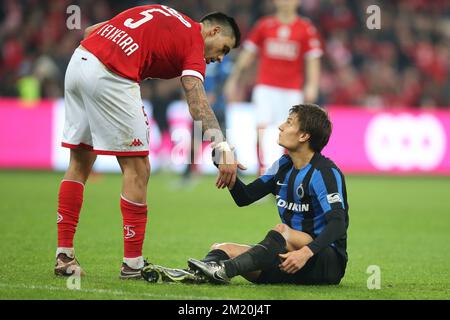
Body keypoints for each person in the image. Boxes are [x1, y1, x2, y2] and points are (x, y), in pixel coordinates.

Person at [54, 4, 243, 280]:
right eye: (224, 48)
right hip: (111, 74)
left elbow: (91, 30)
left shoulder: (162, 12)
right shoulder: (194, 40)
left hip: (80, 62)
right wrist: (222, 147)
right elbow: (197, 101)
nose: (220, 57)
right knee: (138, 168)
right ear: (213, 30)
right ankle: (132, 264)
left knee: (80, 162)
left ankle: (64, 256)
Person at [142, 104, 349, 285]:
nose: (281, 127)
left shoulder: (324, 173)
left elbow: (338, 224)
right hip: (290, 259)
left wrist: (305, 252)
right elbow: (245, 197)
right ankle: (192, 274)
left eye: (289, 123)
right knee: (223, 249)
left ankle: (224, 271)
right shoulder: (283, 166)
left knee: (282, 231)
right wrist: (223, 165)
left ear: (304, 136)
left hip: (324, 260)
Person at [224, 0, 322, 175]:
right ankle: (262, 174)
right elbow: (248, 54)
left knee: (293, 134)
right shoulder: (264, 25)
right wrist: (234, 79)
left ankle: (285, 174)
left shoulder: (306, 28)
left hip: (292, 90)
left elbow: (312, 59)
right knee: (260, 130)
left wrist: (312, 85)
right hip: (266, 88)